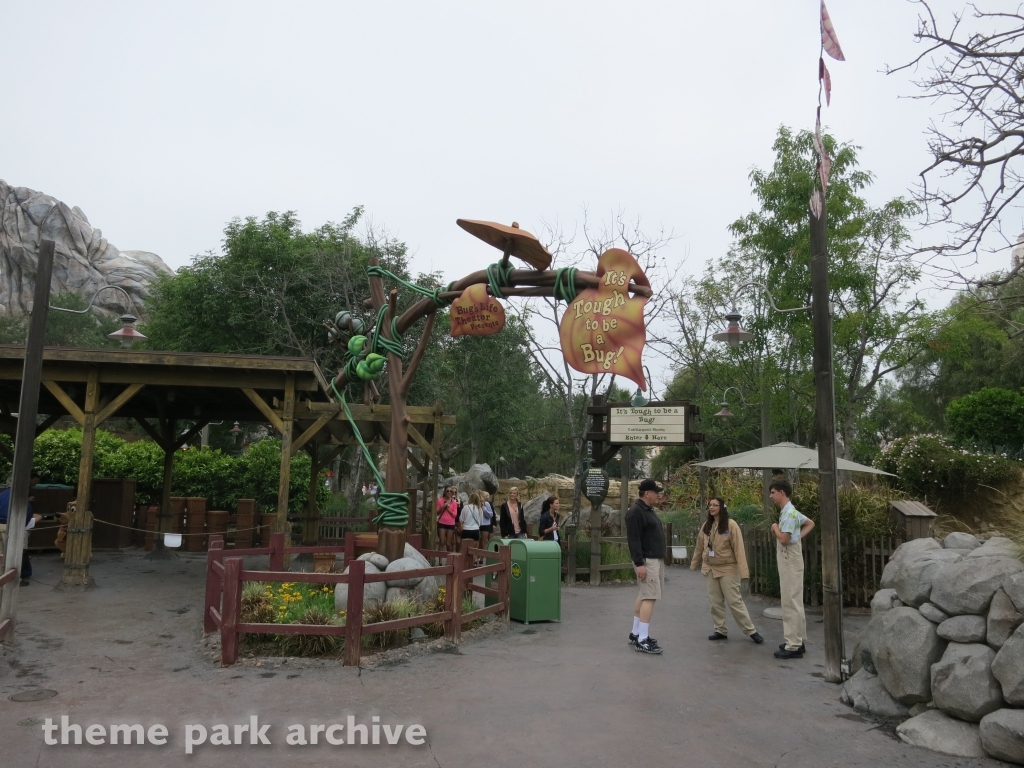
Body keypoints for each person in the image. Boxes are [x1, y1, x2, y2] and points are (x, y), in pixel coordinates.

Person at [690, 498, 764, 644]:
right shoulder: (707, 525)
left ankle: (751, 631)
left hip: (728, 568)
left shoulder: (731, 525)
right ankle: (720, 630)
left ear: (722, 508)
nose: (712, 508)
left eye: (715, 505)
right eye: (710, 505)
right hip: (710, 568)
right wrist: (695, 563)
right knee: (715, 601)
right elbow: (700, 545)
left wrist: (744, 572)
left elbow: (739, 550)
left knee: (734, 601)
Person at [769, 479, 815, 659]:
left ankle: (793, 645)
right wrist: (798, 537)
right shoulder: (791, 511)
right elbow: (810, 523)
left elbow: (784, 539)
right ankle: (797, 639)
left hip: (789, 557)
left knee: (789, 600)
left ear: (781, 492)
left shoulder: (788, 514)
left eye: (773, 492)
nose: (771, 496)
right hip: (793, 555)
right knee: (795, 598)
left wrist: (774, 528)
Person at [625, 478, 666, 654]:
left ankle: (636, 633)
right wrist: (639, 563)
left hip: (653, 559)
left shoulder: (647, 510)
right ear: (647, 493)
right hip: (647, 560)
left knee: (644, 594)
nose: (659, 495)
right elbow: (634, 540)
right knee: (650, 596)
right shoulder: (636, 512)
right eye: (656, 492)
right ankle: (643, 639)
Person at [0, 471, 42, 586]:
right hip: (15, 528)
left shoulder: (1, 495)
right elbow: (27, 517)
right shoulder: (20, 498)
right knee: (18, 553)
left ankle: (1, 577)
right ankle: (17, 578)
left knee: (1, 554)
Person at [436, 486, 459, 552]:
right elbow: (437, 513)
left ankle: (450, 560)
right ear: (444, 492)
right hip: (442, 523)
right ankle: (440, 561)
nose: (449, 492)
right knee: (441, 542)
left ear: (452, 493)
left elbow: (455, 515)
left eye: (450, 491)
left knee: (448, 543)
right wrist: (442, 507)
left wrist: (448, 509)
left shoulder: (454, 502)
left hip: (451, 524)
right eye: (447, 491)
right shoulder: (440, 500)